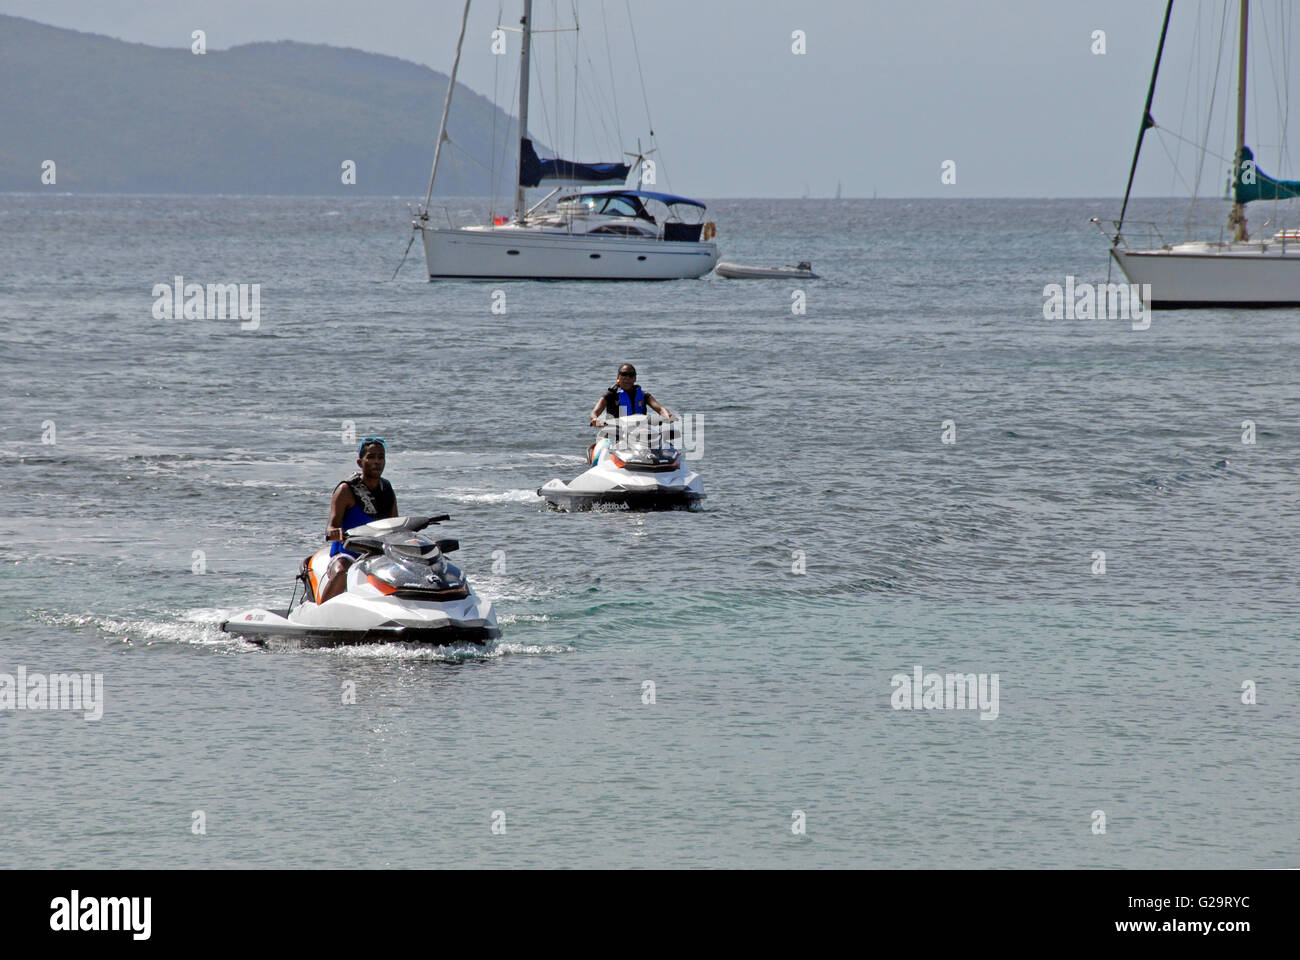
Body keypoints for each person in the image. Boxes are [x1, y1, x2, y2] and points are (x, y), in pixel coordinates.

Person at [316, 437, 398, 603]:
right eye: (371, 457)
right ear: (360, 462)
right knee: (341, 572)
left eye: (381, 457)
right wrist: (335, 532)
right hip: (348, 555)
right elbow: (331, 527)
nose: (376, 462)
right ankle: (321, 613)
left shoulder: (387, 489)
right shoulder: (346, 489)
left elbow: (395, 526)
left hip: (378, 555)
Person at [589, 364, 675, 426]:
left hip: (639, 433)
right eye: (624, 374)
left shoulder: (643, 395)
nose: (627, 378)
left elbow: (660, 409)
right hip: (615, 433)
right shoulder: (610, 395)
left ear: (635, 379)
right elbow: (595, 412)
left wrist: (667, 415)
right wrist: (595, 419)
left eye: (631, 375)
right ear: (618, 378)